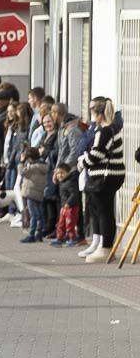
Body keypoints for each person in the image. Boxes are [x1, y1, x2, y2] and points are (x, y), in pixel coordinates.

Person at [78, 97, 126, 264]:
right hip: (113, 174)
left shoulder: (104, 131)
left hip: (105, 176)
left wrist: (82, 163)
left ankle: (106, 248)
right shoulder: (112, 129)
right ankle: (105, 247)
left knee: (104, 212)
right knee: (104, 211)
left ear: (98, 114)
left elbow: (97, 154)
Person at [17, 148, 48, 244]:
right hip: (39, 192)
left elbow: (21, 172)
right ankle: (39, 233)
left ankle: (31, 234)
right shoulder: (43, 165)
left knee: (34, 215)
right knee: (40, 213)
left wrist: (21, 162)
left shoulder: (33, 167)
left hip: (31, 192)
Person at [50, 163, 80, 248]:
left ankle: (72, 238)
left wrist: (69, 203)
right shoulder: (62, 182)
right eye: (58, 173)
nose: (60, 175)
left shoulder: (70, 182)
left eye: (62, 173)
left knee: (69, 224)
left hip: (71, 207)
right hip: (64, 207)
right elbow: (55, 181)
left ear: (68, 173)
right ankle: (59, 238)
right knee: (61, 223)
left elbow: (74, 194)